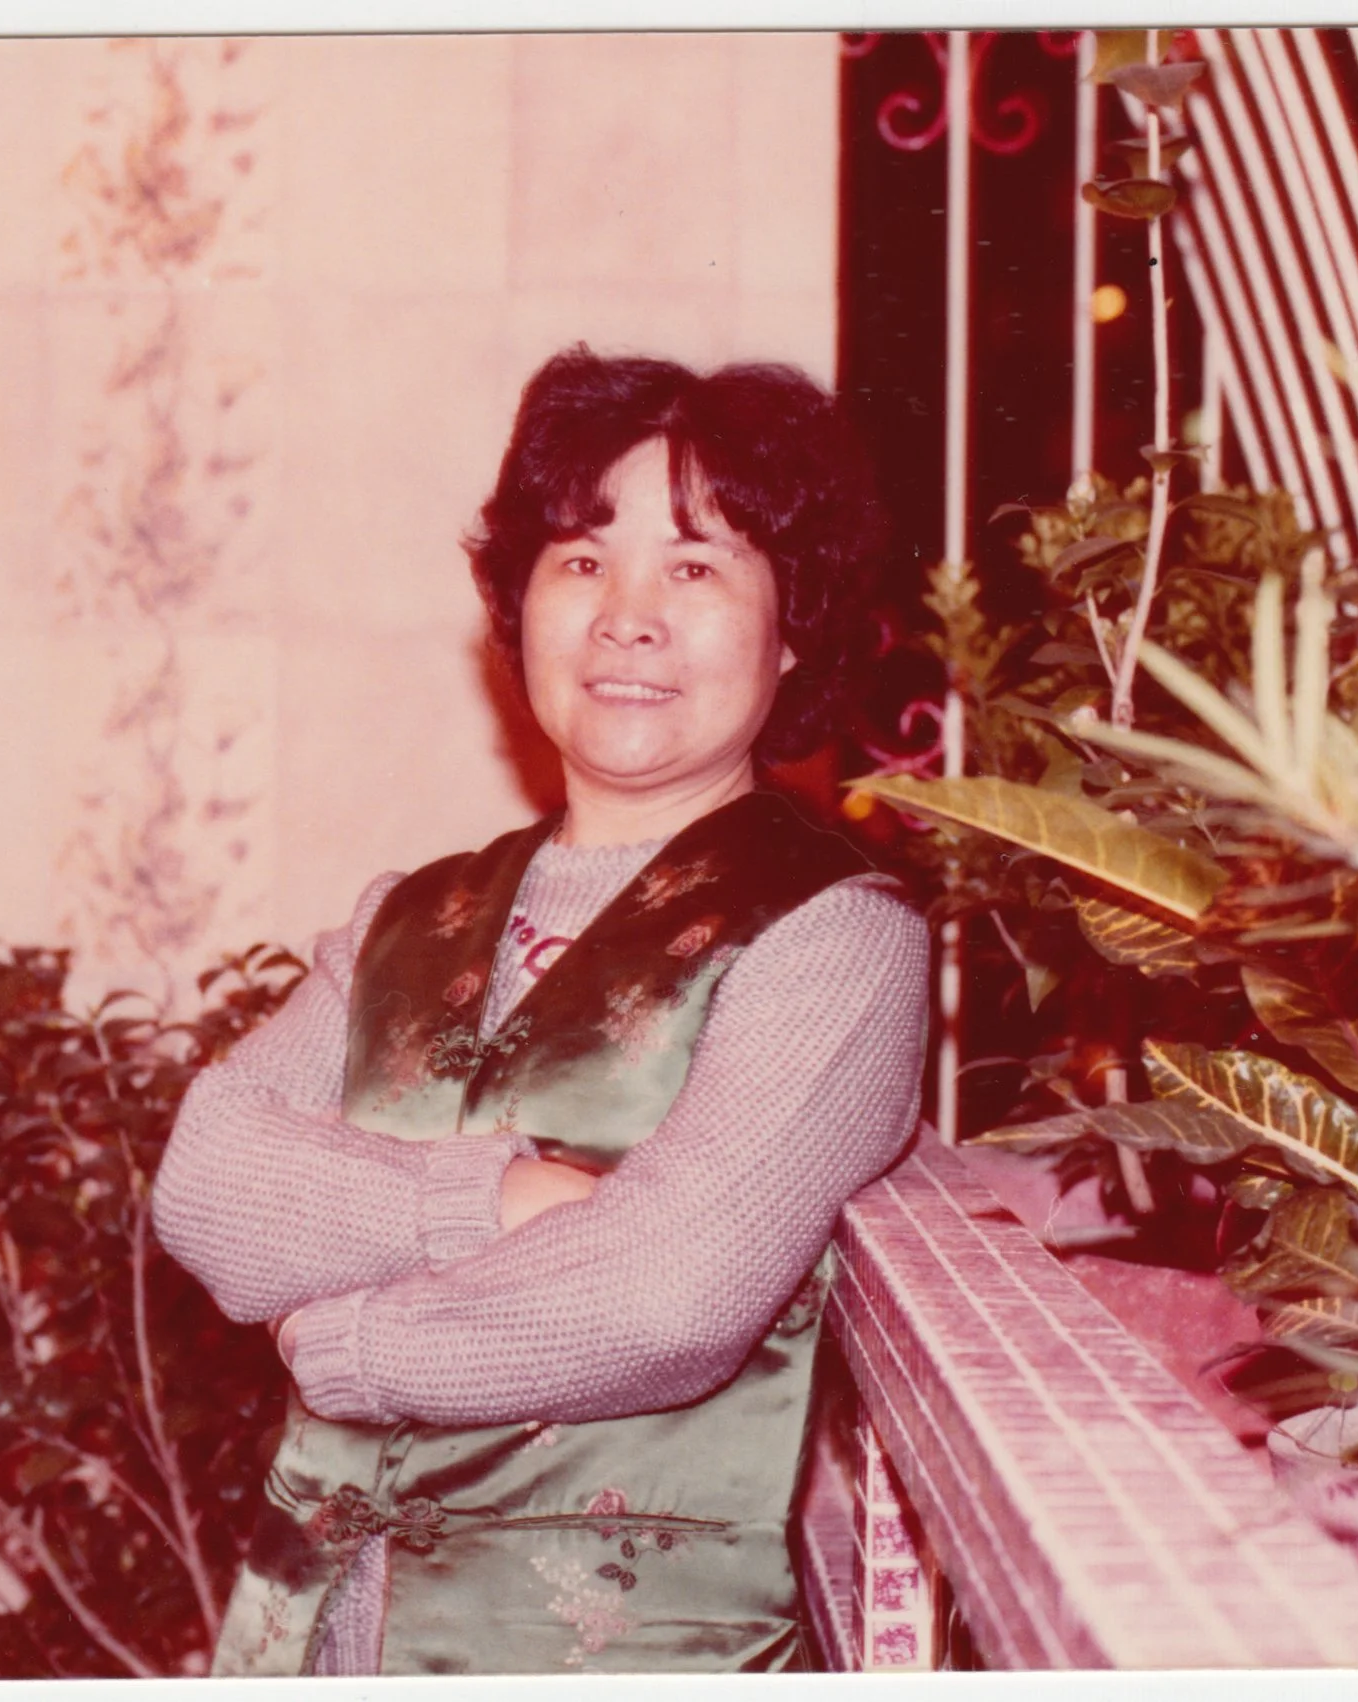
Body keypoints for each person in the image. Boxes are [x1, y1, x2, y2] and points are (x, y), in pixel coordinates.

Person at [152, 345, 930, 1674]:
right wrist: (499, 1202)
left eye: (696, 566)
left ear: (791, 625)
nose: (628, 615)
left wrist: (333, 1340)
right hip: (313, 1631)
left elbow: (663, 1291)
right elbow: (207, 1177)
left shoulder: (836, 935)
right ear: (516, 605)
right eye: (581, 560)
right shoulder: (412, 912)